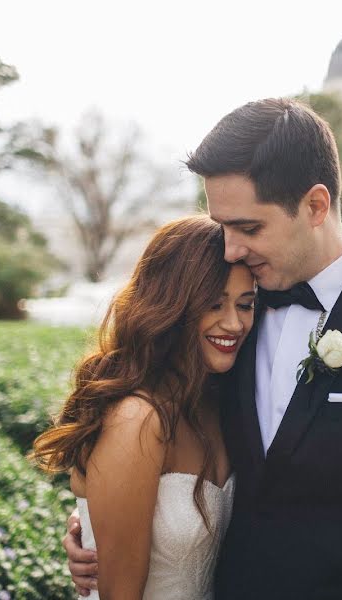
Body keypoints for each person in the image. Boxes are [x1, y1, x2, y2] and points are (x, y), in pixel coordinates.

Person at [66, 98, 342, 599]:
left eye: (249, 228)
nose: (229, 249)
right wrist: (97, 527)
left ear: (315, 206)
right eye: (223, 225)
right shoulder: (225, 318)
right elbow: (168, 447)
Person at [31, 215, 256, 599]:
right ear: (173, 305)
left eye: (245, 304)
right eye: (214, 304)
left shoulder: (220, 404)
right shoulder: (138, 419)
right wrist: (89, 525)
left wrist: (88, 522)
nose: (233, 323)